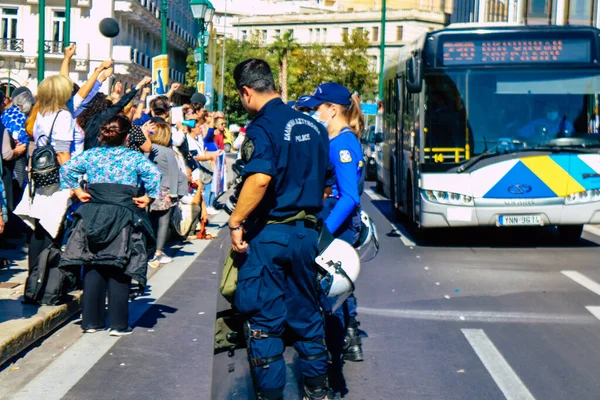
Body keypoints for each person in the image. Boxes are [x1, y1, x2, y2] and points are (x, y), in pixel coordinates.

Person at [228, 58, 334, 400]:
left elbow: (259, 179)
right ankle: (319, 392)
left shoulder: (262, 127)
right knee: (307, 317)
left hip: (270, 235)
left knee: (264, 323)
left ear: (246, 92)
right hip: (306, 235)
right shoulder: (314, 126)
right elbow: (326, 185)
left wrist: (235, 221)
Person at [58, 115, 161, 336]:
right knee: (119, 265)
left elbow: (66, 169)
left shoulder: (92, 154)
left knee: (93, 263)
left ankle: (91, 322)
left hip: (93, 211)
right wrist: (148, 198)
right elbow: (154, 174)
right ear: (126, 137)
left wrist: (77, 191)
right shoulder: (133, 157)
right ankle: (117, 324)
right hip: (123, 212)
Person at [296, 82, 366, 396]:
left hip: (336, 228)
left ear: (333, 109)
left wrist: (324, 230)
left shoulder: (342, 144)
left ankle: (332, 365)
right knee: (336, 293)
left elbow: (349, 196)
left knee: (329, 295)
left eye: (318, 108)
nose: (315, 113)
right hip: (334, 224)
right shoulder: (336, 138)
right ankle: (343, 347)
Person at [147, 122, 187, 268]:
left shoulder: (146, 150)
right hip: (165, 191)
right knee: (163, 223)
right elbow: (174, 173)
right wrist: (174, 193)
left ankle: (148, 250)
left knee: (150, 222)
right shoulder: (167, 152)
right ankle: (159, 252)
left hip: (149, 191)